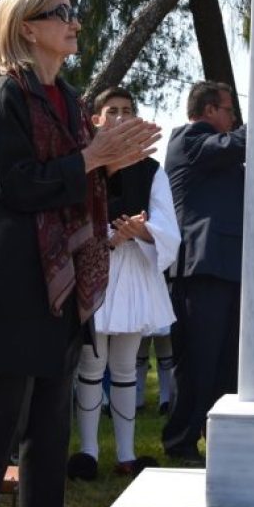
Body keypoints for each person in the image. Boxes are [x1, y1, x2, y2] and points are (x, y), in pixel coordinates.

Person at [0, 0, 159, 507]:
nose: (74, 21)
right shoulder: (4, 96)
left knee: (48, 435)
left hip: (57, 289)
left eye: (73, 10)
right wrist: (91, 160)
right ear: (27, 27)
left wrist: (108, 167)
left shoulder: (68, 100)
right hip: (9, 289)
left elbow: (74, 185)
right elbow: (17, 186)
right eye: (60, 12)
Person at [68, 87, 179, 481]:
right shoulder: (84, 162)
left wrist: (141, 230)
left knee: (126, 365)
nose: (119, 116)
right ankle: (88, 452)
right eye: (111, 111)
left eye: (127, 111)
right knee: (91, 364)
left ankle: (127, 454)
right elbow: (71, 215)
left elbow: (167, 225)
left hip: (132, 271)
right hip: (95, 271)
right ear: (96, 119)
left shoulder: (151, 169)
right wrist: (105, 238)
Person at [161, 81, 246, 463]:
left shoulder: (216, 149)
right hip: (201, 268)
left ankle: (219, 439)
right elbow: (233, 145)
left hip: (226, 266)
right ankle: (180, 440)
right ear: (209, 110)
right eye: (230, 110)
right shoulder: (189, 139)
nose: (233, 118)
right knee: (198, 361)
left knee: (226, 364)